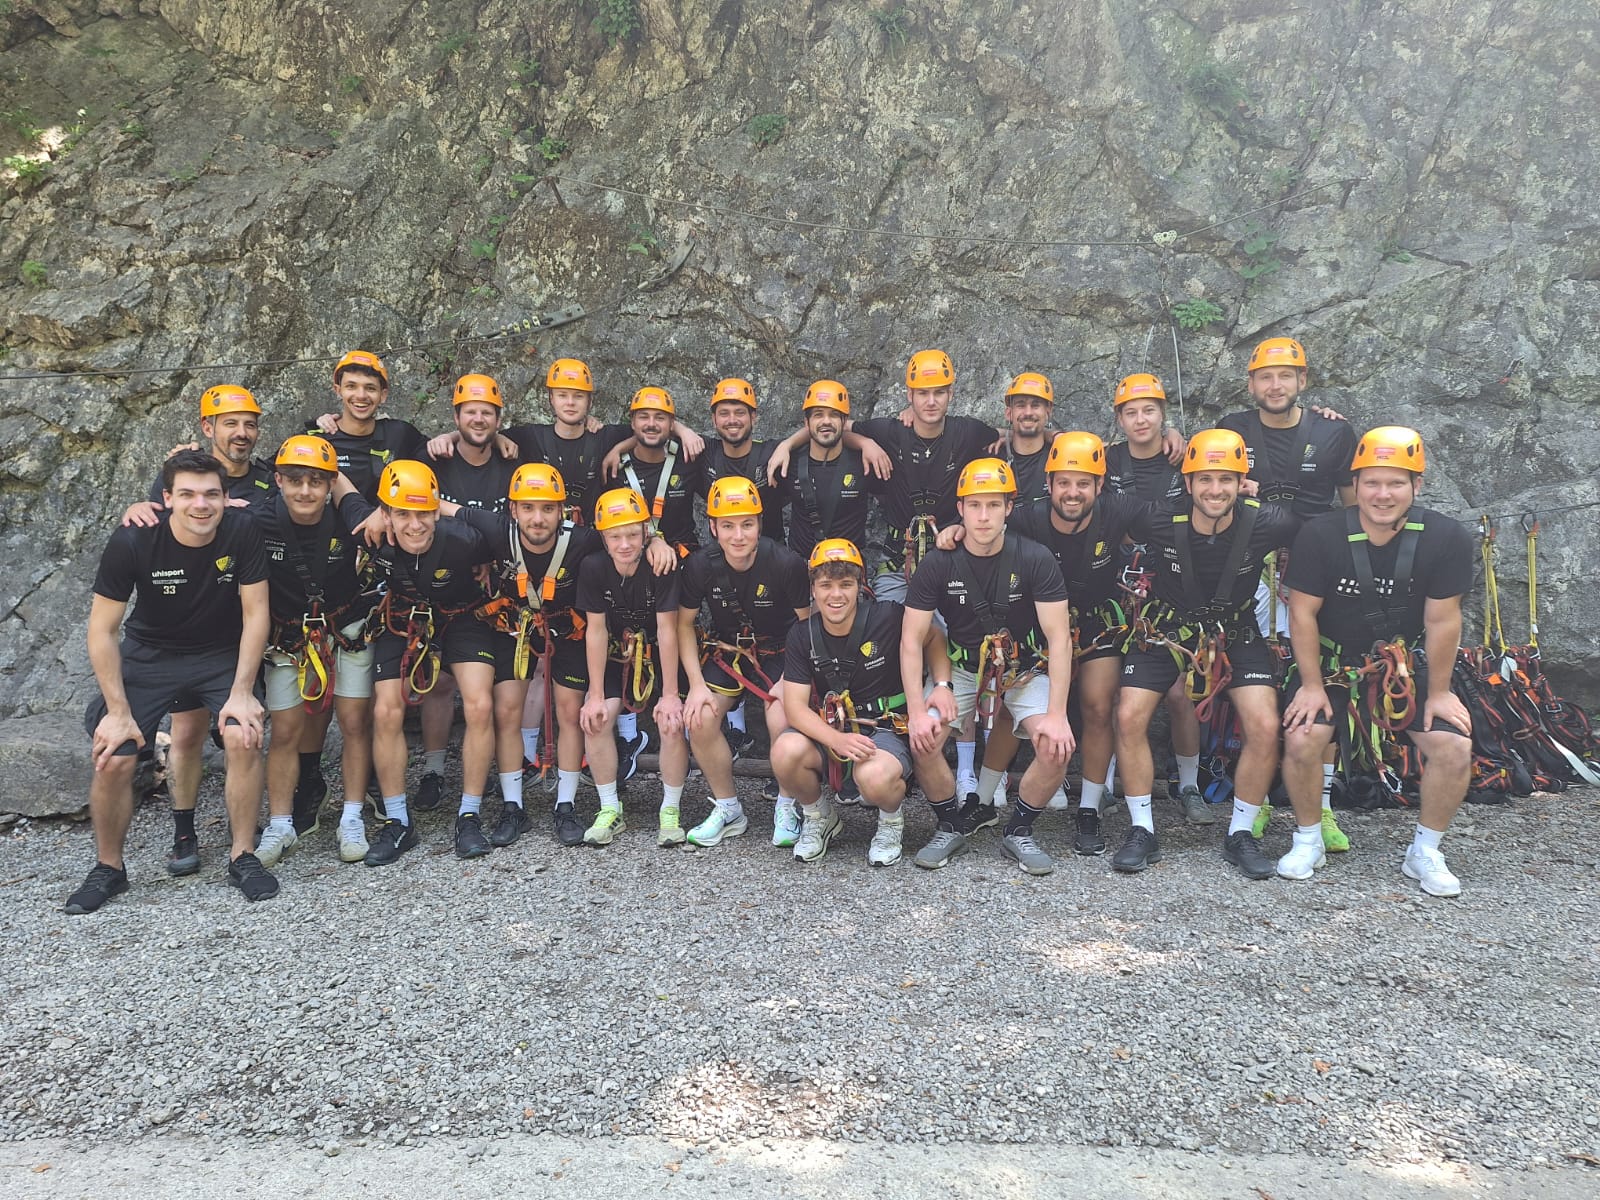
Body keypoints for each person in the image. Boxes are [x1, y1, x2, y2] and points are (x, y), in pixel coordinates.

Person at [67, 450, 273, 913]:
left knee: (243, 735)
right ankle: (108, 868)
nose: (201, 505)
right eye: (188, 495)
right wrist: (117, 712)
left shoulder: (242, 530)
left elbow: (256, 612)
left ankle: (243, 855)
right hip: (150, 654)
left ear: (226, 498)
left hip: (218, 652)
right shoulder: (134, 539)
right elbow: (102, 630)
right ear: (167, 499)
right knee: (115, 754)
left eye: (211, 494)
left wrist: (242, 692)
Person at [1277, 427, 1474, 894]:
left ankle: (1425, 851)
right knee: (1303, 737)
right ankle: (1308, 839)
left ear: (1416, 486)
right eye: (1372, 483)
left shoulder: (1446, 538)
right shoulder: (1321, 534)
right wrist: (1310, 685)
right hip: (1333, 663)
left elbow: (1443, 620)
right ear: (1356, 484)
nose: (1382, 494)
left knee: (1454, 747)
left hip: (1400, 666)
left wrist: (1440, 692)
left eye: (1395, 483)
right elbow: (1302, 614)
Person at [1112, 430, 1298, 879]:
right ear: (1188, 482)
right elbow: (1101, 519)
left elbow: (1319, 537)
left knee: (1264, 725)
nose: (1216, 490)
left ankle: (1241, 832)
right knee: (1129, 715)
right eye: (1206, 479)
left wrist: (1294, 577)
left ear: (1242, 482)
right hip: (1167, 626)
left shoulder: (1269, 520)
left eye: (1226, 479)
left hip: (1235, 630)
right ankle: (1141, 829)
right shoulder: (1159, 517)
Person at [119, 384, 275, 875]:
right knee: (185, 732)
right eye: (230, 423)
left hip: (242, 628)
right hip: (185, 628)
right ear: (208, 428)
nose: (241, 432)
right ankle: (184, 830)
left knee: (243, 733)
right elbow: (153, 525)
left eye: (249, 424)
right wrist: (136, 509)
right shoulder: (179, 476)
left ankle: (242, 840)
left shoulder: (269, 479)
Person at [900, 458, 1076, 876]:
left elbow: (1059, 639)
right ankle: (950, 824)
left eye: (994, 505)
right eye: (975, 505)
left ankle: (1019, 830)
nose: (983, 516)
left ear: (1008, 508)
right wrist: (916, 712)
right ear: (960, 508)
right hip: (961, 669)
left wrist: (1057, 715)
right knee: (923, 738)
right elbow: (911, 640)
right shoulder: (938, 563)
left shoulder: (1034, 558)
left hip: (1021, 669)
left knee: (1055, 746)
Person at [1219, 337, 1357, 850]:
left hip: (1314, 574)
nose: (1274, 386)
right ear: (1251, 383)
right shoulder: (1232, 429)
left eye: (1285, 376)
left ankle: (1321, 806)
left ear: (1303, 380)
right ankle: (1256, 801)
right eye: (1265, 377)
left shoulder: (1333, 431)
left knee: (1321, 684)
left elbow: (1351, 512)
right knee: (1259, 687)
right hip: (1251, 571)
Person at [331, 460, 498, 866]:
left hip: (462, 616)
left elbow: (507, 536)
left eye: (424, 513)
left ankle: (470, 815)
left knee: (479, 704)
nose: (415, 525)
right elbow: (337, 480)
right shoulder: (370, 530)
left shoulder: (465, 538)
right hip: (402, 615)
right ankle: (398, 820)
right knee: (386, 710)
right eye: (402, 514)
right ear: (386, 513)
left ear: (436, 510)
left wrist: (489, 565)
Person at [442, 463, 604, 853]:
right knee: (507, 711)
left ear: (562, 510)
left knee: (569, 713)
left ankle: (565, 804)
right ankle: (513, 806)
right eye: (528, 508)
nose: (537, 518)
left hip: (568, 629)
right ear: (513, 509)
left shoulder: (583, 540)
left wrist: (656, 540)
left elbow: (623, 538)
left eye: (547, 509)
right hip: (515, 628)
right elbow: (443, 507)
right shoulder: (498, 529)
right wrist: (382, 513)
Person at [1008, 432, 1148, 856]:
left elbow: (1177, 519)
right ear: (1048, 483)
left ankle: (1089, 807)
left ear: (1100, 485)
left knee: (1098, 707)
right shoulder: (1026, 518)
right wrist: (955, 532)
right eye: (1064, 483)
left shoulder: (1118, 510)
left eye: (1083, 483)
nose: (1073, 492)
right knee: (1013, 704)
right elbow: (985, 532)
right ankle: (989, 792)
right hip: (1040, 628)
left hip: (1097, 622)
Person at [251, 435, 377, 867]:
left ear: (330, 484)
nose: (305, 491)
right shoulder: (257, 522)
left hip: (347, 626)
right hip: (288, 637)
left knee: (354, 721)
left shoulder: (348, 518)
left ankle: (352, 817)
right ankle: (280, 822)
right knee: (286, 729)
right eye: (295, 481)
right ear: (278, 481)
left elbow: (382, 520)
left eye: (316, 482)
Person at [772, 539, 932, 865]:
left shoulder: (888, 617)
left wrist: (941, 684)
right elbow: (795, 708)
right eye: (825, 585)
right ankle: (818, 816)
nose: (836, 595)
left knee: (874, 777)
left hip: (885, 727)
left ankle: (890, 822)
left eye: (846, 584)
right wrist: (837, 739)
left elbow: (932, 637)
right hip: (834, 730)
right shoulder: (802, 635)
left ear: (860, 586)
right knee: (784, 751)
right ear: (813, 590)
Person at [677, 478, 810, 848]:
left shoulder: (785, 563)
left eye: (747, 524)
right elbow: (683, 625)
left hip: (782, 650)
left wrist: (792, 678)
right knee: (699, 717)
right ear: (713, 527)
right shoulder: (700, 565)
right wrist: (696, 686)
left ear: (760, 524)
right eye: (728, 526)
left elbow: (807, 627)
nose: (738, 536)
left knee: (781, 714)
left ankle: (787, 805)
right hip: (729, 650)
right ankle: (728, 807)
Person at [410, 373, 520, 817]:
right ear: (456, 418)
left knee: (489, 690)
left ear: (498, 419)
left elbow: (513, 524)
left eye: (486, 412)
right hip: (437, 587)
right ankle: (435, 770)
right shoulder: (434, 459)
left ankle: (490, 771)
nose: (478, 419)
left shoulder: (511, 461)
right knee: (439, 683)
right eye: (470, 412)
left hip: (492, 593)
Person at [1104, 373, 1207, 825]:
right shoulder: (1107, 460)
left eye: (1149, 410)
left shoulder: (1182, 458)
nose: (1141, 419)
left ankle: (1189, 785)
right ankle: (1106, 782)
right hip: (1117, 586)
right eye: (1131, 412)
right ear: (1119, 419)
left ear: (1164, 414)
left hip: (1173, 587)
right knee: (1112, 690)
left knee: (1180, 694)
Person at [577, 488, 691, 847]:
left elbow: (667, 629)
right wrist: (595, 694)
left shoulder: (661, 565)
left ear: (645, 531)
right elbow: (596, 630)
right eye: (615, 537)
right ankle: (610, 808)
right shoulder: (593, 567)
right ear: (603, 538)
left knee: (671, 721)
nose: (625, 544)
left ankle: (670, 810)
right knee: (596, 719)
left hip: (658, 652)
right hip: (617, 654)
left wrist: (670, 694)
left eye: (632, 534)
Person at [774, 380, 875, 561]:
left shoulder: (865, 462)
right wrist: (786, 444)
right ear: (807, 422)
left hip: (848, 567)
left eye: (834, 415)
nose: (826, 421)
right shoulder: (788, 462)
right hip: (801, 566)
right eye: (818, 415)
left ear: (844, 421)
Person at [312, 350, 426, 500]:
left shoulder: (399, 434)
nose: (361, 395)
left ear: (383, 395)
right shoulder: (317, 440)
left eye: (370, 388)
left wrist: (451, 436)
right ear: (338, 391)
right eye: (351, 386)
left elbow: (443, 454)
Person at [1000, 372, 1056, 507]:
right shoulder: (993, 459)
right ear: (1009, 413)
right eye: (1021, 405)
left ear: (1048, 412)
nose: (1028, 412)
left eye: (1035, 405)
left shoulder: (1061, 458)